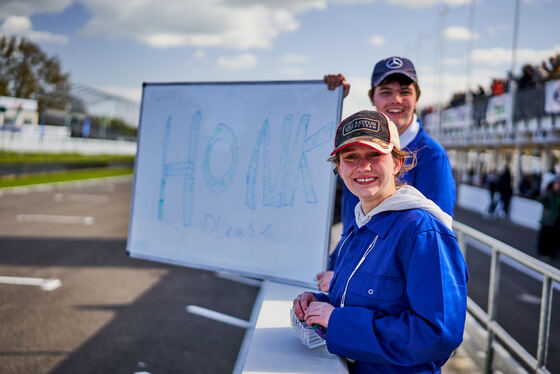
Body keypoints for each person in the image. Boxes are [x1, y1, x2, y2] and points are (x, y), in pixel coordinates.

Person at [293, 110, 468, 373]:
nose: (363, 167)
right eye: (351, 157)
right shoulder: (362, 223)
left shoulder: (422, 232)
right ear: (339, 168)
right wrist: (319, 303)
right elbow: (365, 302)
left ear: (397, 163)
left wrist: (338, 322)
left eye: (375, 155)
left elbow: (438, 334)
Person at [319, 56, 456, 291]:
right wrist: (327, 100)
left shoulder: (432, 155)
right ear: (372, 97)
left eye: (405, 91)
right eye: (386, 92)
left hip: (380, 283)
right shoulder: (357, 148)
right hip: (347, 267)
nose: (396, 100)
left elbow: (434, 239)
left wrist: (350, 278)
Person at [537, 176, 560, 259]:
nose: (558, 185)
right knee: (546, 237)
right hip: (549, 220)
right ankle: (544, 253)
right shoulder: (549, 193)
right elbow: (541, 200)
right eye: (556, 183)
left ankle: (551, 254)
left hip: (557, 221)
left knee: (554, 239)